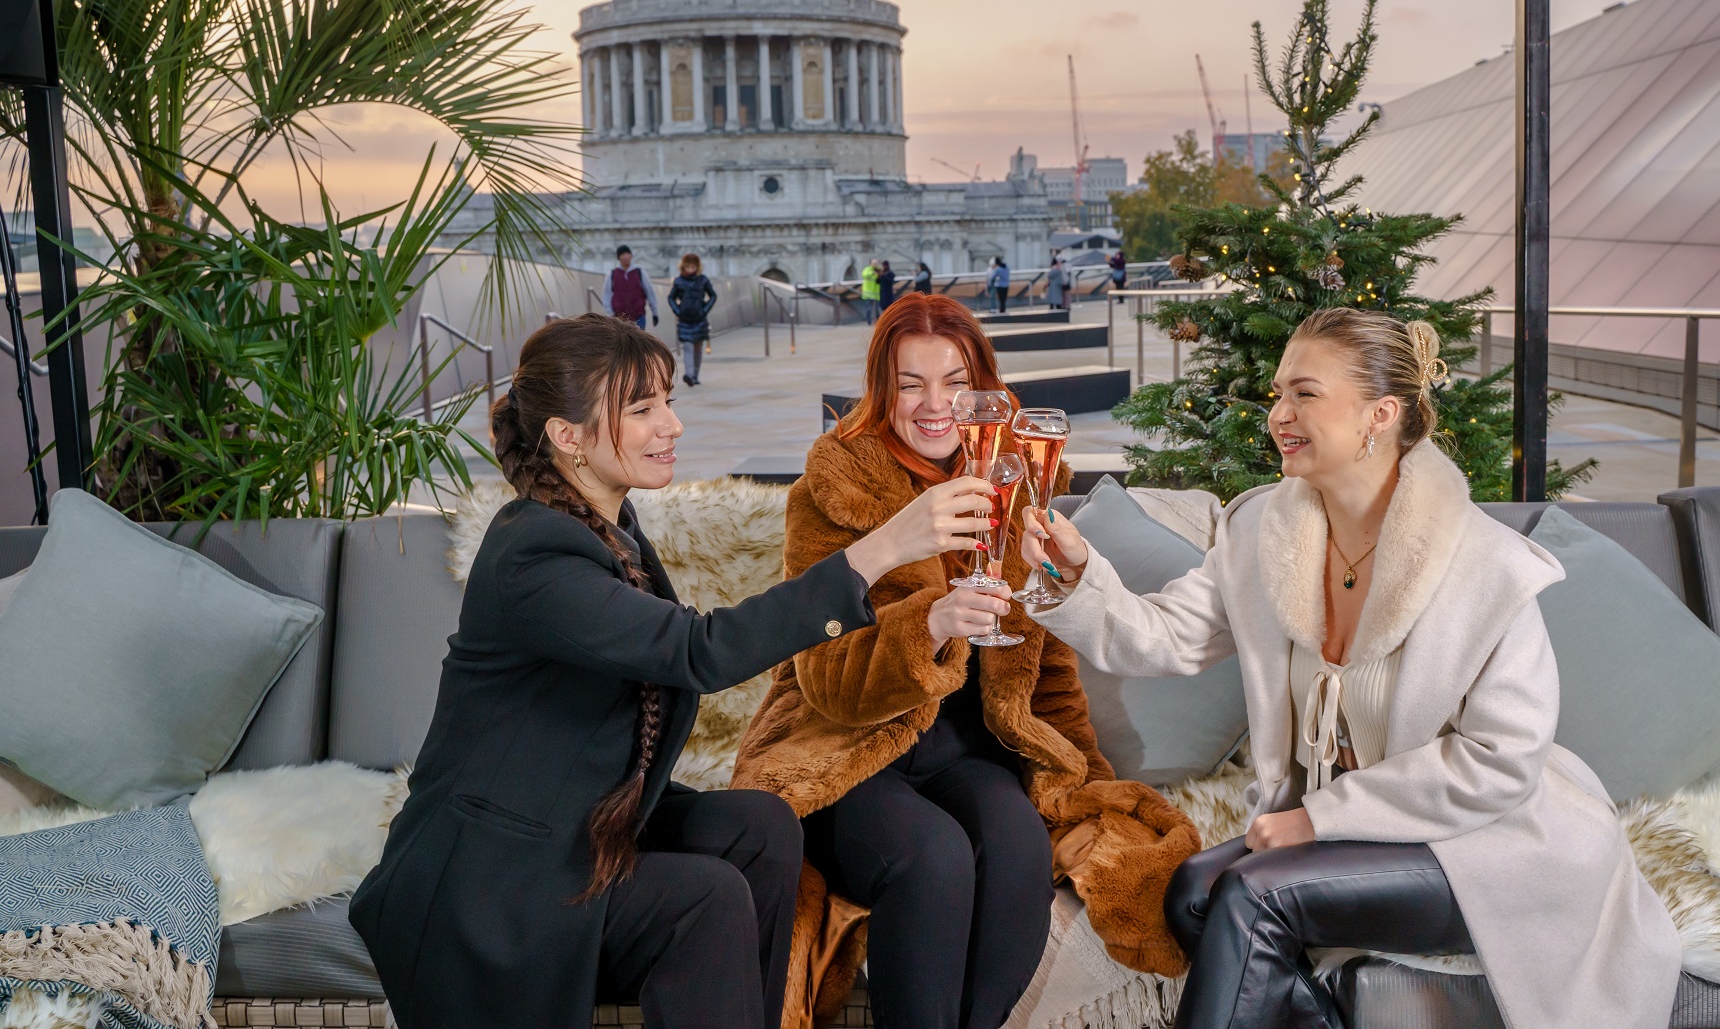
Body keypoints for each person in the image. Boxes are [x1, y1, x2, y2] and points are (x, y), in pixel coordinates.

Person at [1021, 308, 1681, 1029]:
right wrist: (1078, 576)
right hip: (1357, 834)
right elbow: (1163, 639)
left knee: (1252, 896)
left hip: (1487, 842)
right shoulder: (1260, 533)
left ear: (1381, 413)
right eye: (1278, 394)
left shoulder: (1483, 565)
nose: (1278, 414)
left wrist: (1315, 819)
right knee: (1189, 895)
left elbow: (1500, 761)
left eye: (1304, 393)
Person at [351, 314, 997, 1029]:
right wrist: (882, 548)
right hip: (493, 876)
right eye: (642, 408)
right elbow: (699, 652)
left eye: (669, 401)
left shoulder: (607, 529)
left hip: (574, 827)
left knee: (761, 825)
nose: (672, 425)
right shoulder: (533, 557)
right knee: (707, 899)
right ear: (568, 437)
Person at [734, 294, 1199, 1029]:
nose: (934, 405)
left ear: (984, 388)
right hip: (852, 750)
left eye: (954, 382)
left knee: (1015, 849)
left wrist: (1079, 771)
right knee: (933, 858)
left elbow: (1043, 668)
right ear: (882, 389)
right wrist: (931, 622)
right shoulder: (835, 487)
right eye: (910, 383)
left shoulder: (1020, 486)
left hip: (967, 751)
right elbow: (820, 678)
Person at [668, 253, 718, 387]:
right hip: (685, 319)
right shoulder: (678, 281)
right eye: (688, 266)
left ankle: (695, 375)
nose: (690, 269)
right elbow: (671, 298)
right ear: (683, 267)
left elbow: (713, 295)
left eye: (693, 267)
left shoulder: (703, 280)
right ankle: (689, 374)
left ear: (697, 267)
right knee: (688, 347)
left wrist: (704, 310)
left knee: (698, 348)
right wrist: (678, 311)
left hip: (699, 318)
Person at [603, 246, 661, 331]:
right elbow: (606, 296)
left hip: (638, 316)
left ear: (631, 256)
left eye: (627, 253)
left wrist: (655, 312)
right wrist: (610, 314)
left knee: (638, 342)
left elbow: (650, 292)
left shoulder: (639, 272)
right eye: (623, 254)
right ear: (619, 257)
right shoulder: (612, 274)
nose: (626, 256)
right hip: (619, 318)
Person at [861, 259, 880, 324]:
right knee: (869, 309)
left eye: (876, 263)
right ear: (870, 263)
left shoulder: (878, 270)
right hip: (868, 294)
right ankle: (869, 322)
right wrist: (872, 273)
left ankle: (877, 322)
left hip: (875, 294)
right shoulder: (867, 269)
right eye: (874, 263)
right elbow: (864, 275)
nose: (875, 264)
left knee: (877, 309)